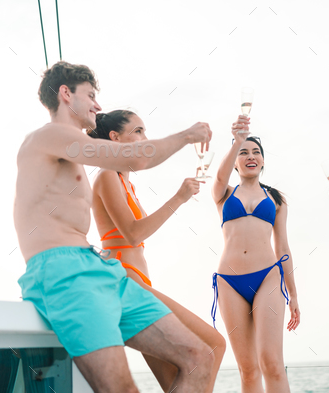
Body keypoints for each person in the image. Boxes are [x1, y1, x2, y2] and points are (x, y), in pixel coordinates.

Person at [14, 61, 214, 393]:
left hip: (101, 269)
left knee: (200, 357)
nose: (98, 105)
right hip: (63, 271)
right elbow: (137, 157)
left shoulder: (71, 148)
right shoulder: (49, 136)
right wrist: (187, 135)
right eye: (90, 95)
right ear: (66, 94)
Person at [88, 109, 226, 392]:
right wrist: (179, 198)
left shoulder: (126, 181)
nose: (145, 138)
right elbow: (134, 232)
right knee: (213, 345)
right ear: (115, 137)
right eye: (137, 131)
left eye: (145, 131)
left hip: (139, 282)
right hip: (126, 282)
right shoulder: (106, 176)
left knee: (178, 376)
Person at [211, 116, 300, 393]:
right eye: (243, 152)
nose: (251, 156)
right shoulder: (223, 193)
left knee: (271, 362)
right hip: (229, 281)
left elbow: (283, 248)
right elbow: (218, 176)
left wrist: (294, 294)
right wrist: (236, 140)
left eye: (256, 152)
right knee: (248, 371)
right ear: (235, 162)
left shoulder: (276, 199)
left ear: (263, 161)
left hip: (268, 278)